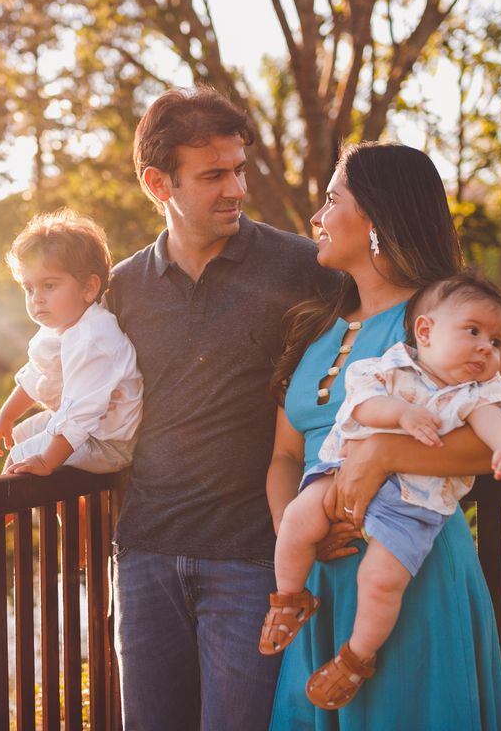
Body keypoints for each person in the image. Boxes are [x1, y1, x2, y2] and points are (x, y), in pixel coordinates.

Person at [266, 142, 501, 729]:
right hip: (316, 580)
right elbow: (286, 455)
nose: (316, 219)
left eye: (330, 199)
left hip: (410, 569)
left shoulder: (446, 319)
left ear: (376, 217)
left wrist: (386, 451)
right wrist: (299, 537)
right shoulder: (319, 327)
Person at [104, 85, 341, 731]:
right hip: (145, 558)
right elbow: (78, 405)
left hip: (251, 562)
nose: (236, 188)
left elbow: (396, 323)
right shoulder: (121, 290)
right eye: (213, 175)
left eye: (238, 170)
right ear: (160, 184)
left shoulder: (302, 266)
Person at [0, 207, 142, 476]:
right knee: (21, 436)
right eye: (29, 288)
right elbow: (37, 374)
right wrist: (7, 417)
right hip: (86, 428)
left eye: (49, 285)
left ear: (89, 288)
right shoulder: (59, 324)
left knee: (19, 456)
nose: (36, 298)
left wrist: (47, 461)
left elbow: (78, 415)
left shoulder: (93, 339)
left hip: (107, 443)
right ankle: (69, 513)